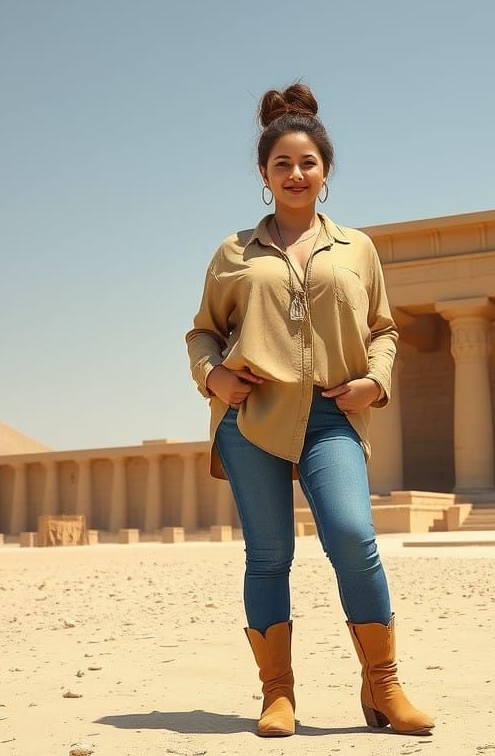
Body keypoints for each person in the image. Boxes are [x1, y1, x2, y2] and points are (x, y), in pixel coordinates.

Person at [185, 82, 433, 738]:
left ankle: (383, 686)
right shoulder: (233, 253)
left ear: (326, 171)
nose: (296, 174)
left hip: (333, 415)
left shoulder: (358, 249)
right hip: (253, 416)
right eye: (281, 165)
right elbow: (203, 332)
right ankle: (278, 695)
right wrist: (213, 378)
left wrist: (373, 384)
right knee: (268, 555)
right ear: (264, 176)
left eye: (307, 163)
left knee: (353, 537)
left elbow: (384, 330)